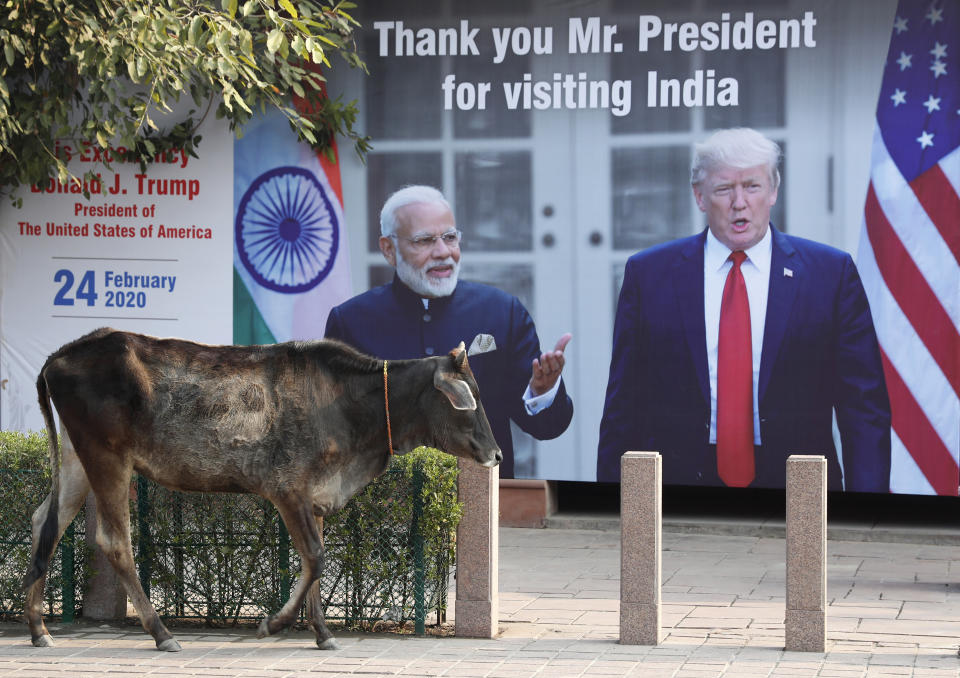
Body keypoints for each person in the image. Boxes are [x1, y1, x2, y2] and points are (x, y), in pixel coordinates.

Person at [597, 128, 891, 492]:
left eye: (752, 186)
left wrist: (871, 507)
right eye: (724, 189)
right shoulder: (649, 275)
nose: (739, 202)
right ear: (700, 196)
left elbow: (863, 407)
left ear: (773, 191)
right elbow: (624, 405)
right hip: (680, 486)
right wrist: (609, 502)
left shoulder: (830, 274)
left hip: (800, 488)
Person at [325, 185, 573, 478]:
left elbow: (548, 428)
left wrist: (541, 392)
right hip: (387, 505)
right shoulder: (351, 321)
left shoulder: (502, 312)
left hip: (487, 502)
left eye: (450, 238)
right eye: (424, 240)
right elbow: (334, 431)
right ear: (389, 249)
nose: (443, 252)